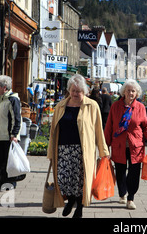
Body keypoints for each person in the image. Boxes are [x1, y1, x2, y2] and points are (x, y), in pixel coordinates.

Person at [47, 74, 110, 218]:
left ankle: (79, 208)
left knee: (81, 181)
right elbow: (52, 131)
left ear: (85, 92)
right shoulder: (60, 106)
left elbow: (99, 130)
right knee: (64, 180)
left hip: (83, 151)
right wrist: (51, 152)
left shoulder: (92, 105)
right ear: (69, 90)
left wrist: (103, 151)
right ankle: (70, 201)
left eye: (79, 91)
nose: (75, 93)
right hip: (63, 150)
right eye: (73, 90)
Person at [104, 79, 147, 210]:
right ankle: (122, 194)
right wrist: (105, 144)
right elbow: (109, 126)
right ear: (124, 92)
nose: (130, 93)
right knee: (120, 172)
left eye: (133, 91)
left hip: (136, 146)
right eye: (128, 90)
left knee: (134, 173)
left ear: (137, 93)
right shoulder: (116, 106)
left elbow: (146, 126)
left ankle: (130, 198)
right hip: (119, 145)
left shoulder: (141, 107)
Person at [0, 75, 21, 191]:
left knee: (9, 162)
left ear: (4, 88)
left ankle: (10, 183)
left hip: (8, 136)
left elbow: (16, 118)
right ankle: (1, 183)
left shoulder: (12, 99)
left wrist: (14, 134)